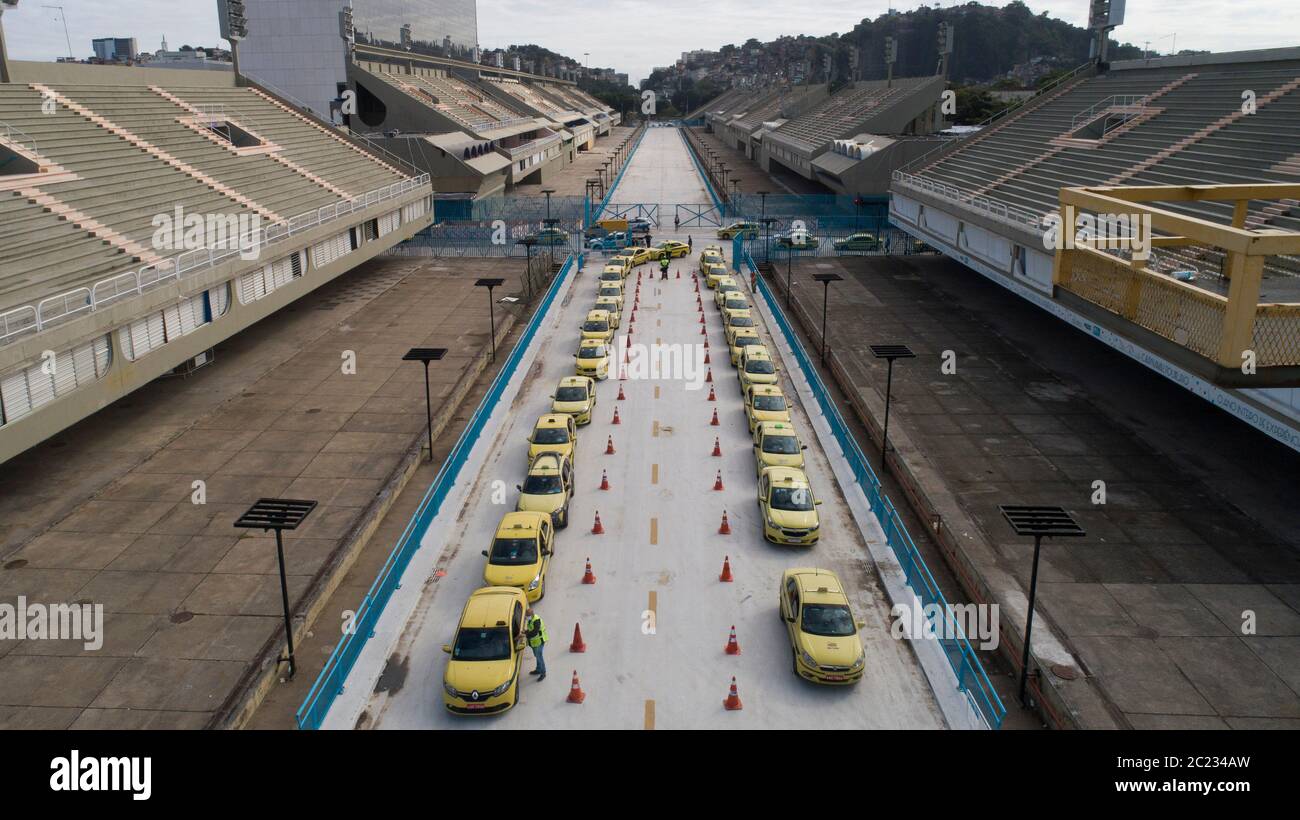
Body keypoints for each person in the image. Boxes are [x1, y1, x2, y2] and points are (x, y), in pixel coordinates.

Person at [525, 608, 548, 681]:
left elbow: (535, 632)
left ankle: (543, 673)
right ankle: (538, 670)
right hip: (534, 643)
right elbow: (531, 629)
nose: (526, 617)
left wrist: (526, 635)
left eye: (527, 615)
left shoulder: (536, 621)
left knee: (539, 658)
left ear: (531, 614)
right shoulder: (531, 620)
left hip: (539, 642)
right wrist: (525, 632)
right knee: (537, 656)